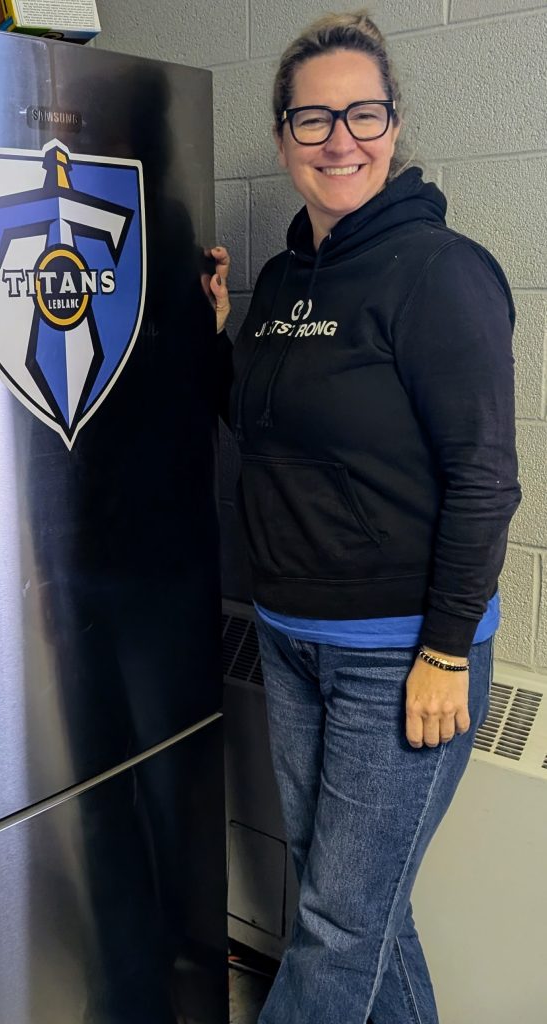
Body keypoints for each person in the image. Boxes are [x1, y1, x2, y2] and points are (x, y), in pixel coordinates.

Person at [206, 10, 521, 1024]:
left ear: (393, 126)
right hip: (292, 636)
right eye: (312, 118)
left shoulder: (439, 271)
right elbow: (264, 427)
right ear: (282, 137)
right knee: (348, 906)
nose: (339, 137)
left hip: (398, 655)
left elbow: (484, 477)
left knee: (337, 930)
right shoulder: (288, 276)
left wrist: (440, 649)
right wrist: (221, 340)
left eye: (362, 112)